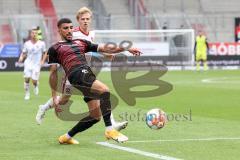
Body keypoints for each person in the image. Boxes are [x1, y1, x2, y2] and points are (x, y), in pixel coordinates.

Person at [48, 18, 141, 144]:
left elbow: (106, 48)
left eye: (71, 27)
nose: (69, 31)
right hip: (76, 74)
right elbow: (53, 73)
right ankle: (109, 129)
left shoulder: (81, 42)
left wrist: (126, 48)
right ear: (59, 30)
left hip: (86, 75)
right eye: (65, 28)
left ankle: (67, 137)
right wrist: (54, 96)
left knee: (95, 116)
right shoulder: (55, 48)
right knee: (104, 90)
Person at [36, 7, 128, 131]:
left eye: (87, 19)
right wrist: (43, 61)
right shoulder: (72, 33)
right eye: (82, 19)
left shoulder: (91, 34)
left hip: (84, 70)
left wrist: (105, 55)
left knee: (101, 92)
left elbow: (88, 49)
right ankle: (44, 107)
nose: (85, 21)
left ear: (90, 20)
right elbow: (60, 46)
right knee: (64, 100)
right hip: (72, 72)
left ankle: (111, 123)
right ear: (78, 20)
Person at [18, 28, 46, 100]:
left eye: (36, 33)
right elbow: (24, 53)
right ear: (30, 34)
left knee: (34, 80)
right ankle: (27, 94)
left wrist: (43, 61)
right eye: (33, 33)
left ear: (37, 34)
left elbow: (45, 53)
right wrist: (21, 58)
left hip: (36, 65)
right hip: (28, 63)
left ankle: (35, 85)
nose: (34, 34)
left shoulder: (41, 43)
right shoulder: (27, 44)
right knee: (27, 79)